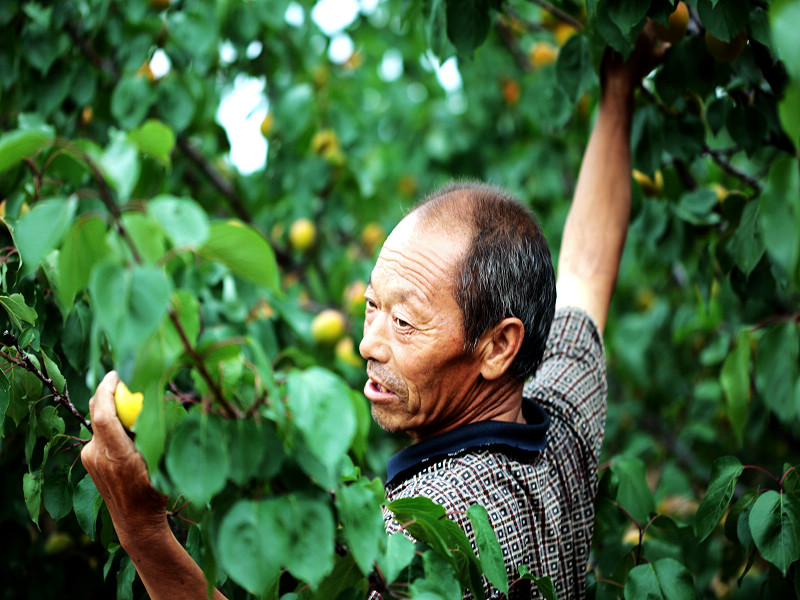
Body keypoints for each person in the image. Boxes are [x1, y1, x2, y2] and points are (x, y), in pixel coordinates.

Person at [81, 26, 661, 600]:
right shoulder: (561, 429)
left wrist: (144, 531)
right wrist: (618, 84)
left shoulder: (426, 529)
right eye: (371, 308)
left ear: (498, 347)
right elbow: (585, 269)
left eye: (405, 322)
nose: (368, 345)